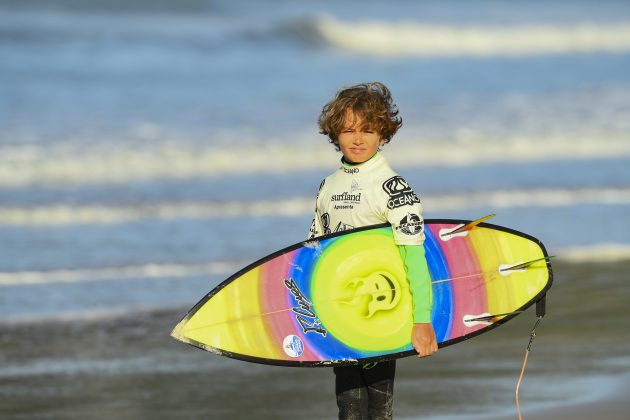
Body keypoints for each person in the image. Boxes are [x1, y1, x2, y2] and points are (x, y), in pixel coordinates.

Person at [308, 82, 438, 419]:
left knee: (379, 405)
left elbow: (414, 255)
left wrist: (422, 319)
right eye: (348, 129)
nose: (357, 138)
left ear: (383, 134)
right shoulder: (328, 185)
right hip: (341, 307)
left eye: (367, 129)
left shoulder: (392, 187)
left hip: (384, 307)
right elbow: (313, 253)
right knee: (348, 404)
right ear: (334, 133)